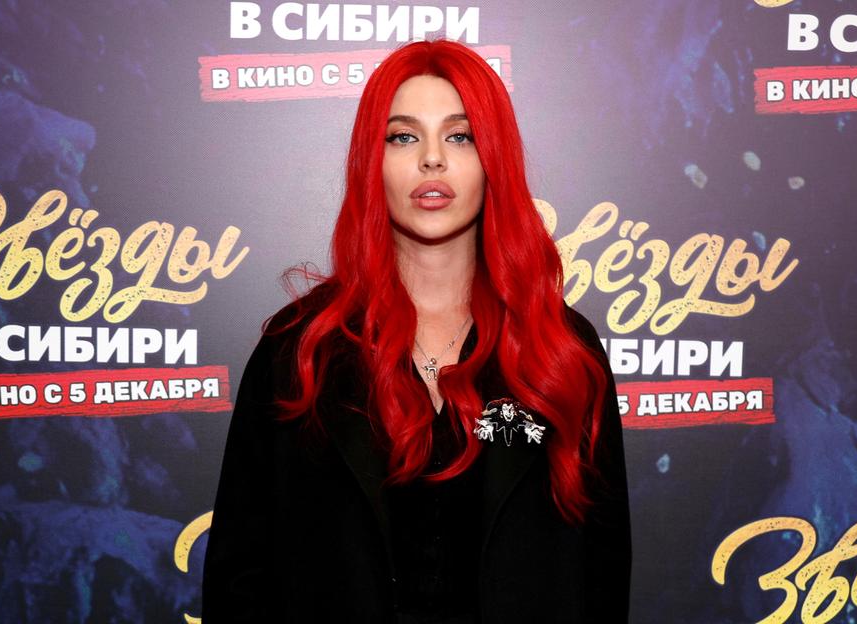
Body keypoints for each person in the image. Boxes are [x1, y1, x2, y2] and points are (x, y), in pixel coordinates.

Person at [202, 38, 631, 623]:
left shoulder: (562, 349)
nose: (432, 159)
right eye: (403, 137)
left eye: (461, 136)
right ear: (370, 162)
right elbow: (240, 577)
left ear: (494, 159)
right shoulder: (299, 349)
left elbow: (601, 575)